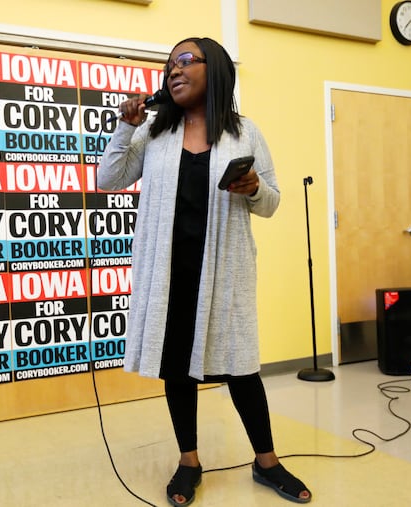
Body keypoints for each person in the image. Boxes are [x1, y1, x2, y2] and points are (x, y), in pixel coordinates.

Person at [97, 37, 312, 506]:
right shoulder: (153, 133)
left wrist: (253, 187)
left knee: (241, 369)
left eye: (186, 60)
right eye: (169, 64)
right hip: (168, 275)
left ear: (214, 69)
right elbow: (108, 178)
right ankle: (189, 462)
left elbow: (272, 202)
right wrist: (123, 127)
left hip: (224, 272)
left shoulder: (245, 132)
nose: (174, 69)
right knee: (178, 370)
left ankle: (267, 462)